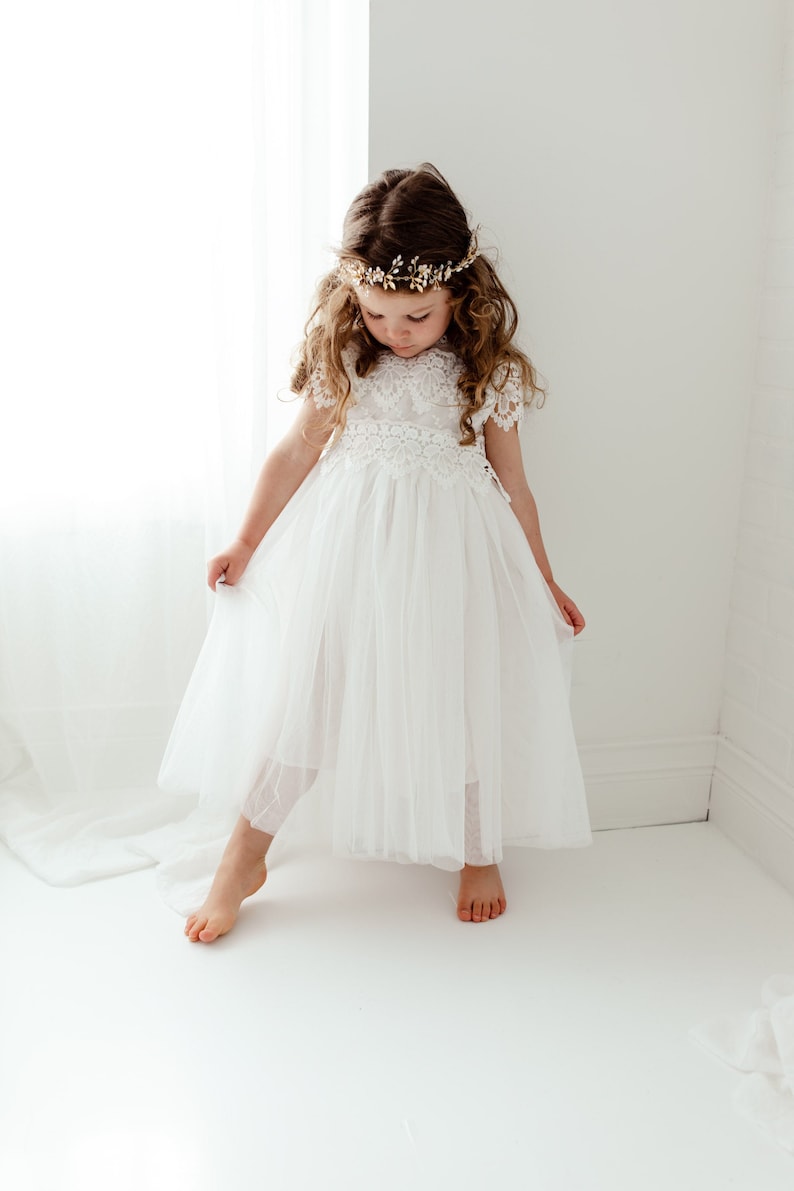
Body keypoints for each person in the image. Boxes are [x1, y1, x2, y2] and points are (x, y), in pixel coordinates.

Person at [158, 163, 592, 943]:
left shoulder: (481, 369)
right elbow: (295, 452)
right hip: (352, 559)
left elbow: (516, 487)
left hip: (451, 562)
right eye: (377, 310)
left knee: (461, 697)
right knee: (311, 699)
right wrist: (247, 539)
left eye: (416, 315)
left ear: (458, 295)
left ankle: (475, 848)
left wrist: (543, 577)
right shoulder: (350, 356)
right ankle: (242, 857)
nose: (395, 330)